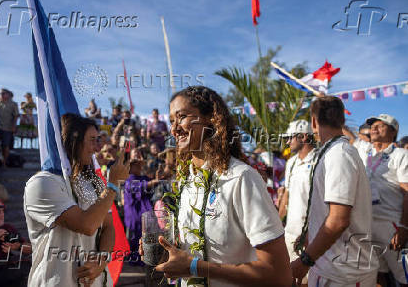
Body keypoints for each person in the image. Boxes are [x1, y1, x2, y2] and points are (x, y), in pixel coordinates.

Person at [141, 86, 292, 286]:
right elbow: (191, 256)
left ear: (211, 119)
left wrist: (195, 267)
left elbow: (278, 274)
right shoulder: (187, 183)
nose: (174, 128)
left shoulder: (241, 178)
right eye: (171, 121)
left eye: (182, 117)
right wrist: (167, 253)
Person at [24, 113, 130, 286]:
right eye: (92, 140)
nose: (97, 148)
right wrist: (112, 185)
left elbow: (109, 227)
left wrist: (101, 260)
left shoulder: (92, 182)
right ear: (71, 140)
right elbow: (86, 225)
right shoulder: (42, 183)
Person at [291, 96, 378, 286]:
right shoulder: (333, 152)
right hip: (334, 269)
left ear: (314, 122)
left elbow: (338, 220)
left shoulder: (339, 154)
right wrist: (310, 234)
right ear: (342, 121)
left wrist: (305, 260)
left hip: (343, 274)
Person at [344, 114, 408, 286]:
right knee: (378, 275)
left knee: (404, 276)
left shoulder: (401, 155)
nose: (374, 128)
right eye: (373, 125)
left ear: (393, 132)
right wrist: (326, 105)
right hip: (367, 226)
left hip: (391, 226)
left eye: (381, 125)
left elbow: (407, 192)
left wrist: (403, 227)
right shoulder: (365, 151)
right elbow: (348, 135)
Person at [277, 120, 315, 287]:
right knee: (290, 279)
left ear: (304, 137)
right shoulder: (291, 162)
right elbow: (286, 194)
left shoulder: (320, 159)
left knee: (308, 280)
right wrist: (278, 224)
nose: (287, 142)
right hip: (290, 232)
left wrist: (310, 233)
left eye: (289, 137)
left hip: (311, 235)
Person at [0, 89, 19, 166]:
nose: (1, 95)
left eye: (3, 93)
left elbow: (16, 116)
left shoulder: (13, 104)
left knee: (6, 146)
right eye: (0, 93)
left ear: (8, 94)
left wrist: (14, 126)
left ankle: (4, 163)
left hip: (7, 128)